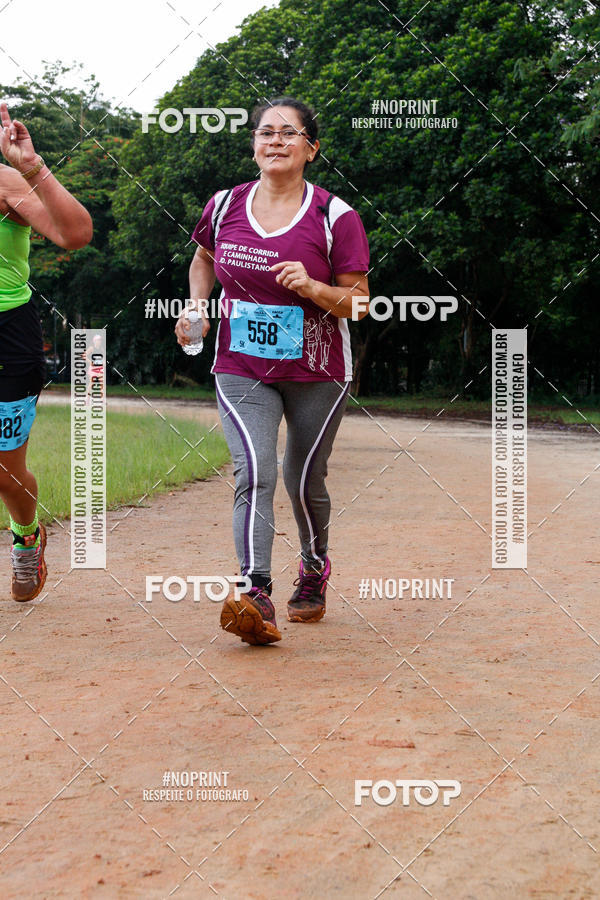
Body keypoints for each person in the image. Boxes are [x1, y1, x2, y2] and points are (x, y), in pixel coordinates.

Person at [176, 96, 370, 645]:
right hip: (242, 366)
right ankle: (255, 591)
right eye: (266, 132)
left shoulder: (335, 216)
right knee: (254, 471)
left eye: (290, 133)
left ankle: (313, 566)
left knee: (303, 478)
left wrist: (312, 288)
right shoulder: (223, 206)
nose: (276, 141)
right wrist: (196, 308)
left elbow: (360, 303)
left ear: (312, 148)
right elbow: (204, 258)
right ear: (254, 145)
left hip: (318, 369)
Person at [0, 103, 92, 601]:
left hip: (7, 335)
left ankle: (26, 534)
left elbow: (75, 235)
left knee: (5, 472)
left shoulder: (6, 183)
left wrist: (31, 167)